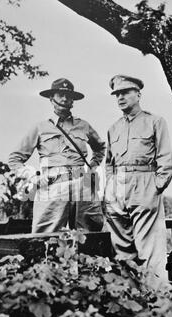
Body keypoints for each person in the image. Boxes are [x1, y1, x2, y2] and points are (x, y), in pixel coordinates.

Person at [8, 78, 106, 233]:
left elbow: (100, 148)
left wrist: (92, 168)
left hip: (82, 184)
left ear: (73, 100)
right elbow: (14, 159)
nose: (65, 99)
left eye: (68, 95)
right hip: (52, 185)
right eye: (60, 95)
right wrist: (33, 177)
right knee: (45, 235)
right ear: (51, 98)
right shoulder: (41, 127)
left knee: (90, 232)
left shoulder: (83, 126)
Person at [104, 74, 172, 284]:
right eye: (117, 94)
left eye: (125, 92)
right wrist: (109, 187)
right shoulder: (113, 127)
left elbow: (166, 160)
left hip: (144, 183)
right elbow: (109, 163)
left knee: (150, 249)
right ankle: (131, 300)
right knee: (122, 250)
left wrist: (155, 187)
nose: (120, 97)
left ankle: (157, 303)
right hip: (117, 187)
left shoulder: (155, 121)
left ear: (138, 94)